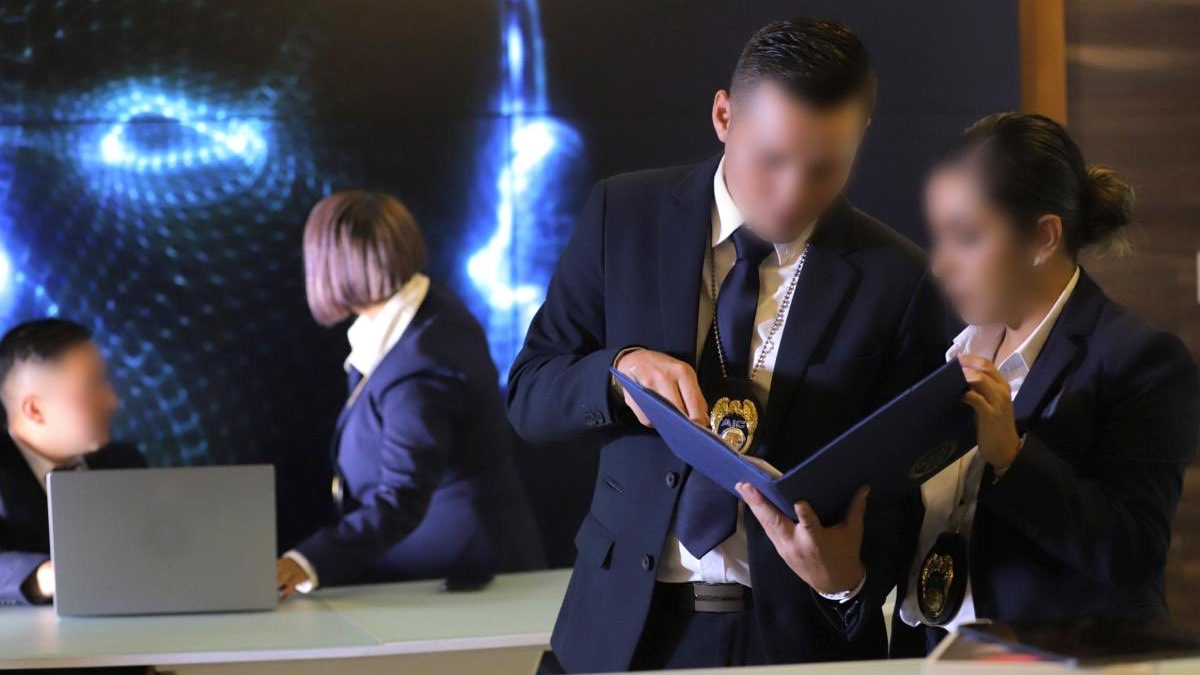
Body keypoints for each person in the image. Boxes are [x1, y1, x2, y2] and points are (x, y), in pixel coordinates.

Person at [507, 19, 945, 672]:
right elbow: (529, 392)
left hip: (798, 643)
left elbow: (907, 489)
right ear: (723, 116)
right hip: (618, 630)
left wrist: (848, 577)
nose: (793, 193)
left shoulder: (899, 280)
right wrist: (617, 373)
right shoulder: (621, 215)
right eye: (772, 159)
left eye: (825, 168)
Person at [742, 112, 1200, 655]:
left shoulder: (1139, 358)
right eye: (939, 237)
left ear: (1043, 237)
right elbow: (916, 533)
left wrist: (1012, 457)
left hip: (1054, 663)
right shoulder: (950, 353)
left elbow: (1134, 555)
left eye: (966, 237)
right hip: (928, 657)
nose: (939, 265)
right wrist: (844, 578)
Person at [277, 191, 545, 597]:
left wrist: (305, 562)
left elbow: (402, 496)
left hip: (462, 575)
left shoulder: (421, 364)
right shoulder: (424, 310)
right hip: (440, 562)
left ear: (330, 266)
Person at [0, 318, 145, 606]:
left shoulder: (123, 462)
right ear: (35, 409)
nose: (112, 401)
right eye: (92, 386)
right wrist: (43, 576)